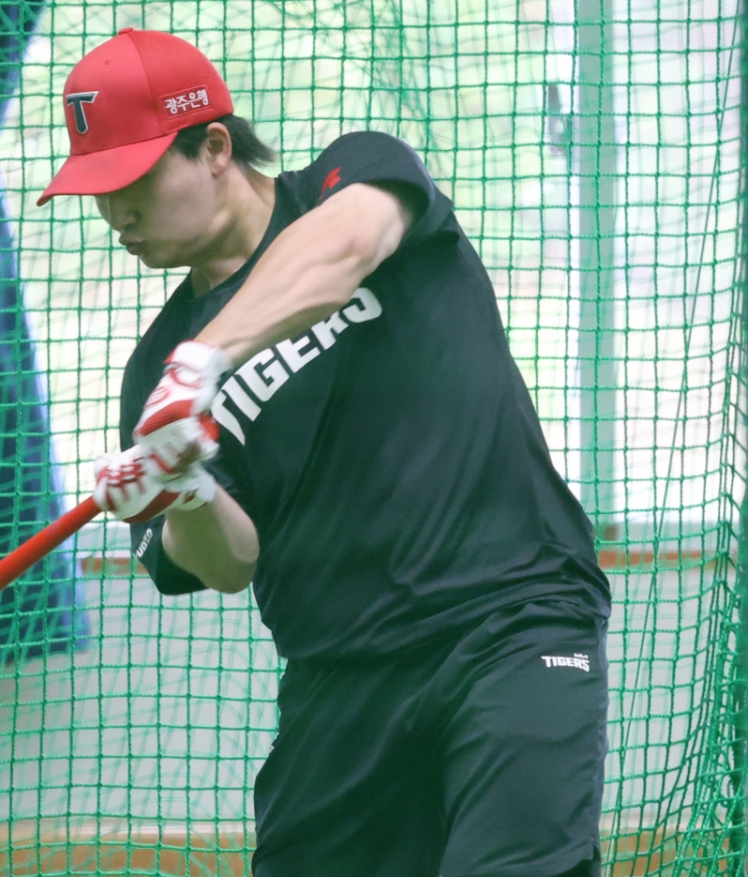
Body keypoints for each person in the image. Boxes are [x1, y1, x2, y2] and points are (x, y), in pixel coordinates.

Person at [38, 27, 611, 877]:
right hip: (341, 679)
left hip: (510, 618)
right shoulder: (151, 377)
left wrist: (203, 364)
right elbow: (227, 563)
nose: (116, 213)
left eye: (134, 180)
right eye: (98, 190)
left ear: (216, 148)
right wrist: (187, 488)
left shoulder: (355, 175)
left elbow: (345, 250)